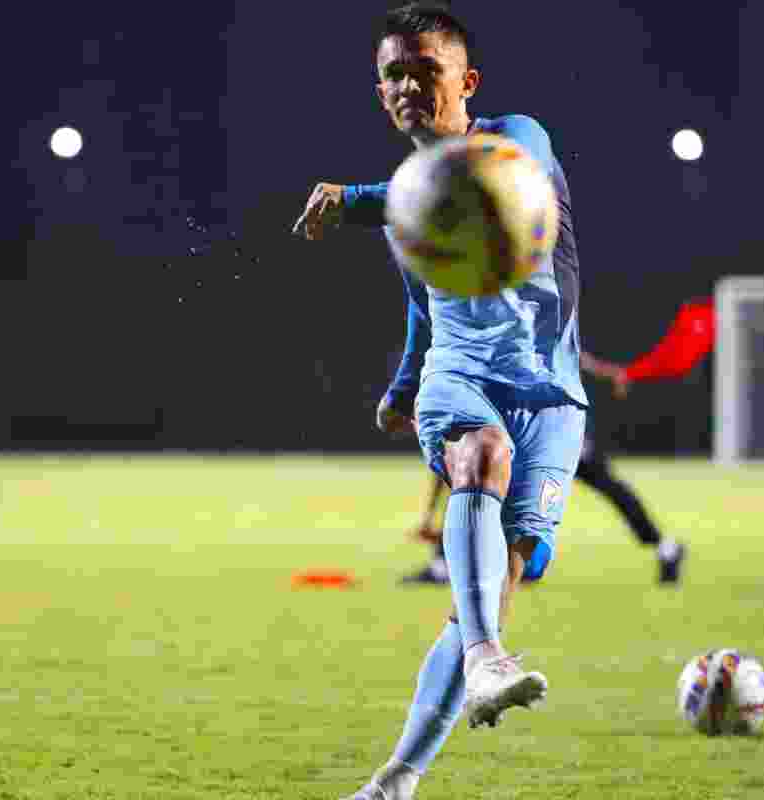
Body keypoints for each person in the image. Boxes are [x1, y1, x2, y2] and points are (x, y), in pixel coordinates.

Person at [292, 5, 587, 798]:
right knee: (478, 456)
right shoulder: (411, 213)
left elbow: (484, 172)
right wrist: (401, 389)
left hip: (553, 397)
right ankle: (489, 657)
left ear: (467, 81)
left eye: (423, 68)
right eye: (392, 73)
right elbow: (424, 314)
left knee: (500, 576)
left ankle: (396, 779)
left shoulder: (519, 136)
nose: (406, 85)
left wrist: (356, 197)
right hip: (461, 377)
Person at [402, 338, 710, 586]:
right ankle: (463, 560)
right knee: (479, 475)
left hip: (552, 428)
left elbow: (569, 354)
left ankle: (663, 547)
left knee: (483, 476)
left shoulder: (508, 328)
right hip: (535, 426)